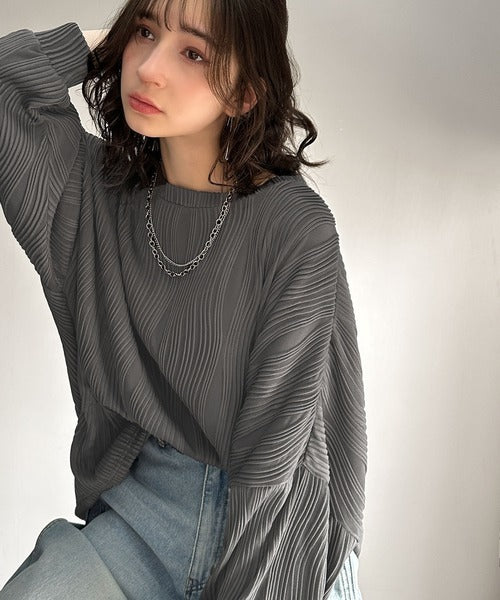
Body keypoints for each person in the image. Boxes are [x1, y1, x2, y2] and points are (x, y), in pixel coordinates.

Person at [0, 0, 367, 598]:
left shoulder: (294, 231)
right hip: (142, 516)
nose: (149, 69)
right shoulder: (94, 193)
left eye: (194, 53)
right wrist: (107, 43)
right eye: (145, 31)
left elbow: (278, 459)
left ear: (245, 93)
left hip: (275, 531)